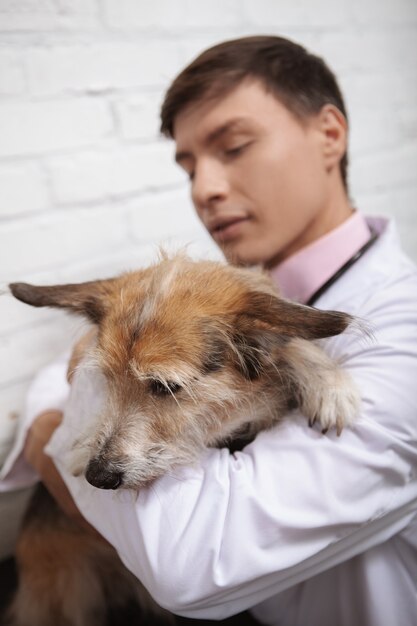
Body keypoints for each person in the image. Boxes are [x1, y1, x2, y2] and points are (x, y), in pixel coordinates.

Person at [1, 36, 417, 626]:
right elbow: (69, 374)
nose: (203, 189)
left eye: (234, 146)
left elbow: (188, 565)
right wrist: (53, 416)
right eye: (189, 164)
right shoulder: (210, 294)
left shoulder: (405, 338)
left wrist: (58, 429)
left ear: (330, 134)